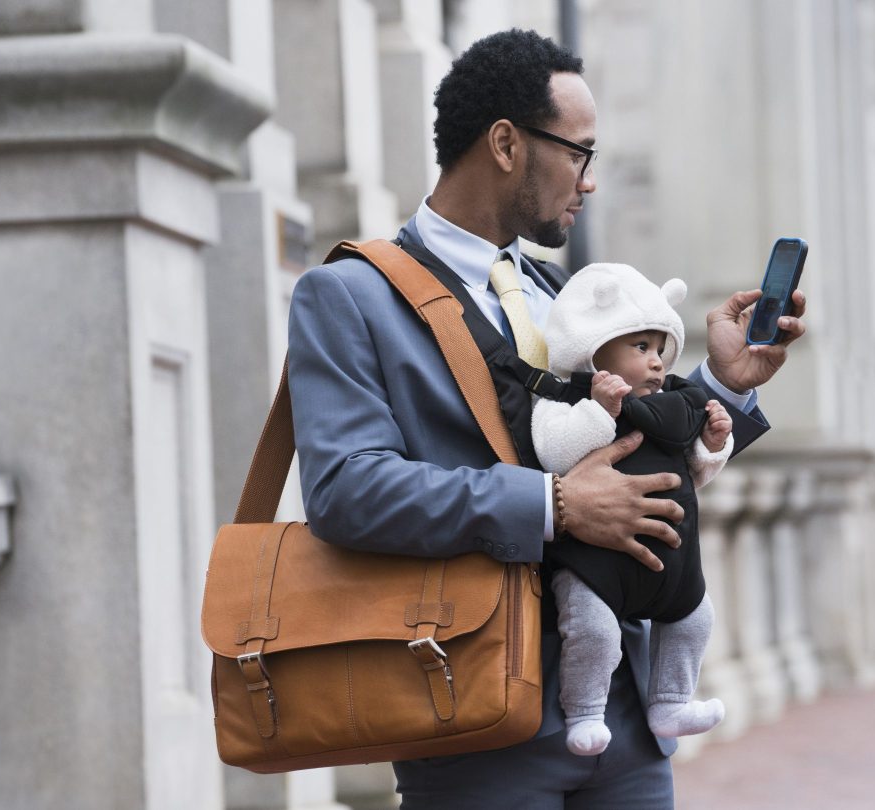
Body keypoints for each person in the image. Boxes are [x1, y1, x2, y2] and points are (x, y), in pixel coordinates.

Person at [287, 28, 807, 809]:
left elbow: (628, 432)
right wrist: (553, 508)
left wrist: (722, 386)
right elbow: (345, 490)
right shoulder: (350, 295)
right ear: (505, 143)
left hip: (626, 717)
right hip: (472, 720)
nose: (589, 182)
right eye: (580, 152)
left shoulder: (565, 291)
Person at [531, 263, 732, 758]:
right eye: (640, 348)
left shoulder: (672, 405)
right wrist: (600, 412)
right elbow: (554, 454)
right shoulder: (566, 399)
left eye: (659, 349)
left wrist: (712, 443)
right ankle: (584, 712)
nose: (657, 362)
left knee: (696, 620)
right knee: (592, 629)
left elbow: (692, 472)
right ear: (594, 348)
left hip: (671, 564)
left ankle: (670, 702)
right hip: (595, 564)